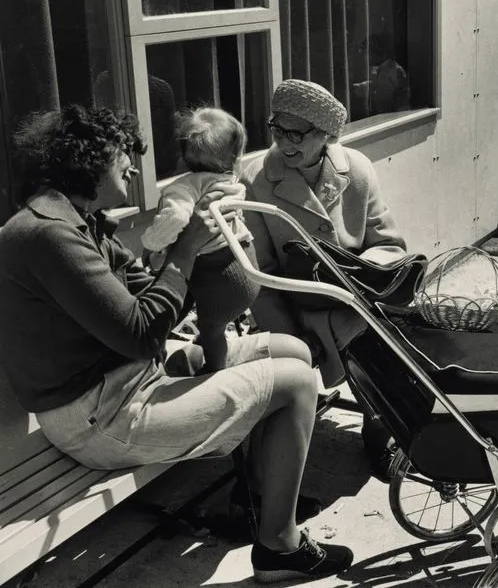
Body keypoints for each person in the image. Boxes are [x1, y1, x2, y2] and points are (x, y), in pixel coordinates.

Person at [0, 105, 353, 583]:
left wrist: (205, 261)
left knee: (292, 350)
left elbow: (152, 296)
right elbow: (143, 330)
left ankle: (253, 502)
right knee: (293, 383)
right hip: (98, 415)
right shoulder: (49, 235)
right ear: (87, 159)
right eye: (123, 154)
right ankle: (279, 547)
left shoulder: (81, 219)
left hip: (129, 378)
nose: (133, 164)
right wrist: (185, 251)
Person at [241, 78, 407, 478]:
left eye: (296, 133)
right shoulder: (257, 180)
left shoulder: (358, 170)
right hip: (293, 303)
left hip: (354, 292)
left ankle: (380, 421)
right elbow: (259, 275)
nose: (284, 143)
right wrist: (290, 335)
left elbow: (389, 244)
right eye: (276, 130)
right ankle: (378, 419)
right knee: (356, 334)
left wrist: (360, 276)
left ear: (325, 136)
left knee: (379, 328)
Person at [141, 107, 259, 374]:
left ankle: (217, 372)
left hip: (219, 276)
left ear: (184, 155)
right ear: (235, 157)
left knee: (210, 331)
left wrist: (150, 244)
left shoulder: (184, 187)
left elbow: (175, 219)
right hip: (246, 264)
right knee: (209, 325)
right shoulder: (231, 181)